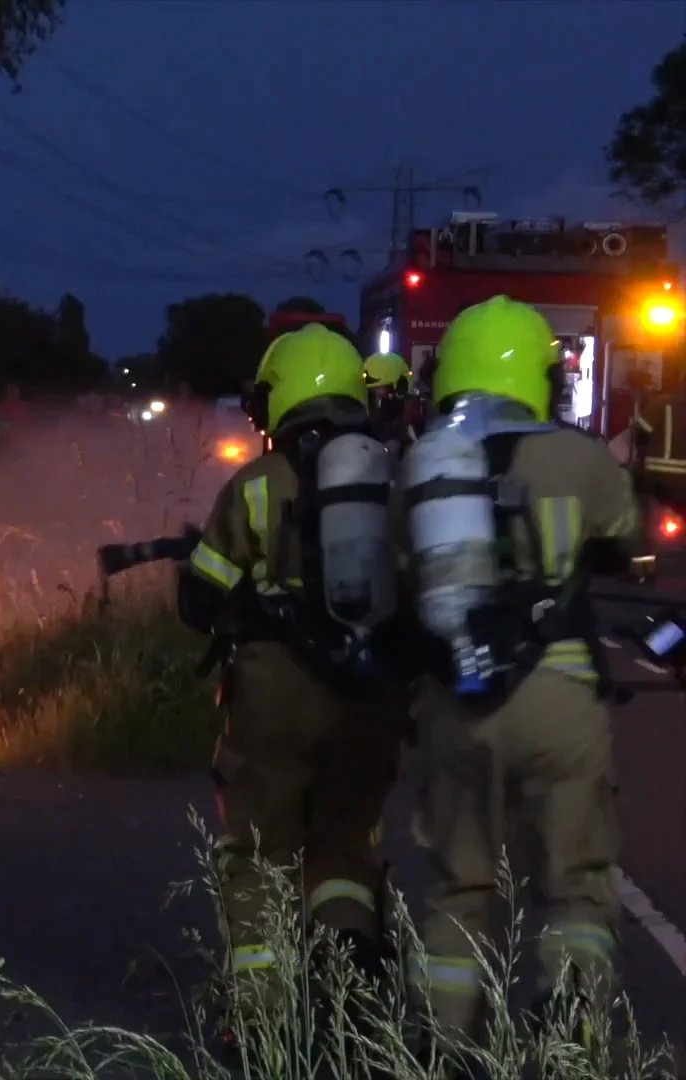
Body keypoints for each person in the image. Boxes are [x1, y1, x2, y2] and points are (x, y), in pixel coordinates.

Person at [398, 295, 641, 1043]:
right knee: (575, 887)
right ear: (541, 376)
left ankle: (443, 1045)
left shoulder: (420, 463)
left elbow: (393, 583)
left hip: (456, 703)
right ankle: (572, 1040)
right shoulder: (583, 459)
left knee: (458, 886)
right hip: (560, 702)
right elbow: (626, 550)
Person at [178, 324, 408, 1042]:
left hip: (275, 696)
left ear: (276, 402)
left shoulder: (254, 486)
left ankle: (258, 1023)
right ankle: (354, 990)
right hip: (372, 697)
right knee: (344, 846)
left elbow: (199, 601)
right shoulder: (392, 480)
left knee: (260, 851)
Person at [363, 351, 419, 445]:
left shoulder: (413, 415)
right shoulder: (365, 418)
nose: (378, 397)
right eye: (372, 392)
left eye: (383, 390)